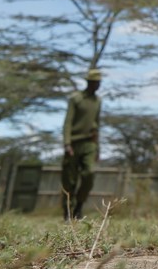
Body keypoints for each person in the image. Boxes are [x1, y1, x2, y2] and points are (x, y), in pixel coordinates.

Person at [61, 67, 102, 220]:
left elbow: (97, 124)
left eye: (99, 82)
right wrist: (67, 143)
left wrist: (98, 148)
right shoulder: (76, 99)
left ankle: (79, 206)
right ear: (88, 82)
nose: (97, 85)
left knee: (89, 173)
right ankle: (68, 211)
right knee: (69, 180)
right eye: (94, 82)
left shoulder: (98, 101)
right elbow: (68, 122)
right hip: (73, 143)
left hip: (90, 143)